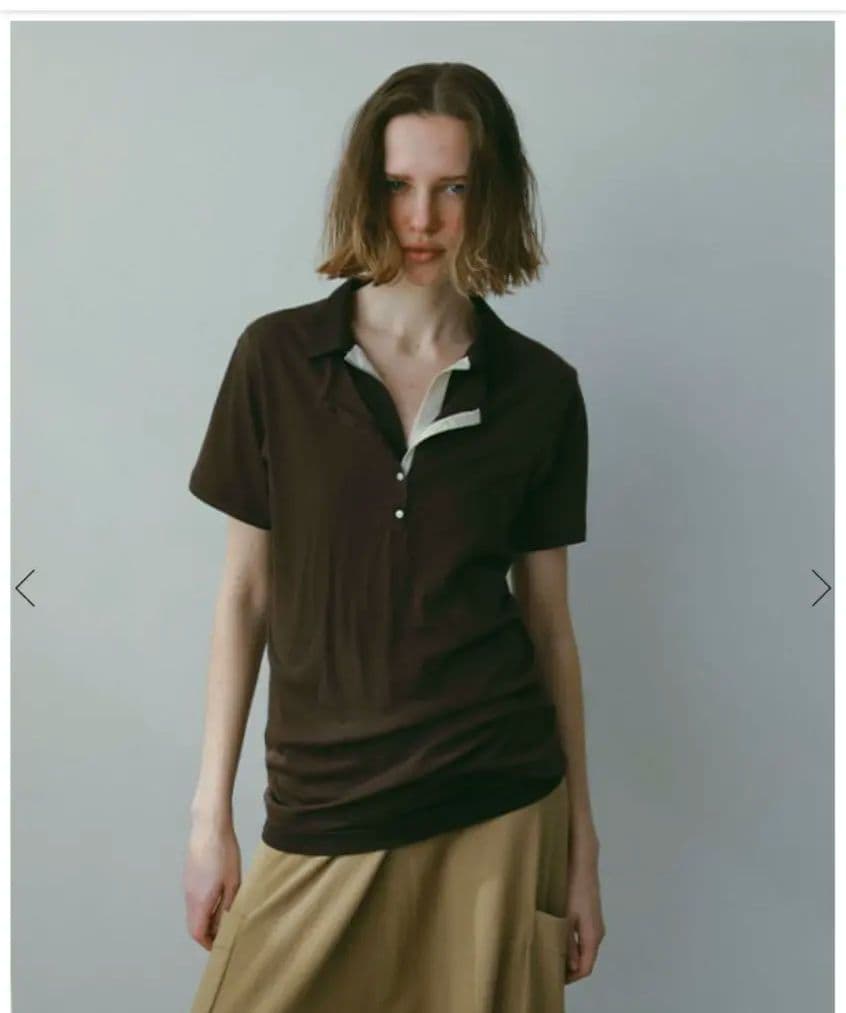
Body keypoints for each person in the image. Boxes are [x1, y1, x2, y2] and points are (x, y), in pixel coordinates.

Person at [183, 61, 605, 1013]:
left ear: (492, 198)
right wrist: (210, 815)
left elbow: (550, 626)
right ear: (364, 189)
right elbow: (246, 596)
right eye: (398, 184)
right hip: (324, 802)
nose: (422, 218)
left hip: (498, 799)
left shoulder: (540, 391)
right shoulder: (277, 360)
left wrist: (582, 847)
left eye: (454, 187)